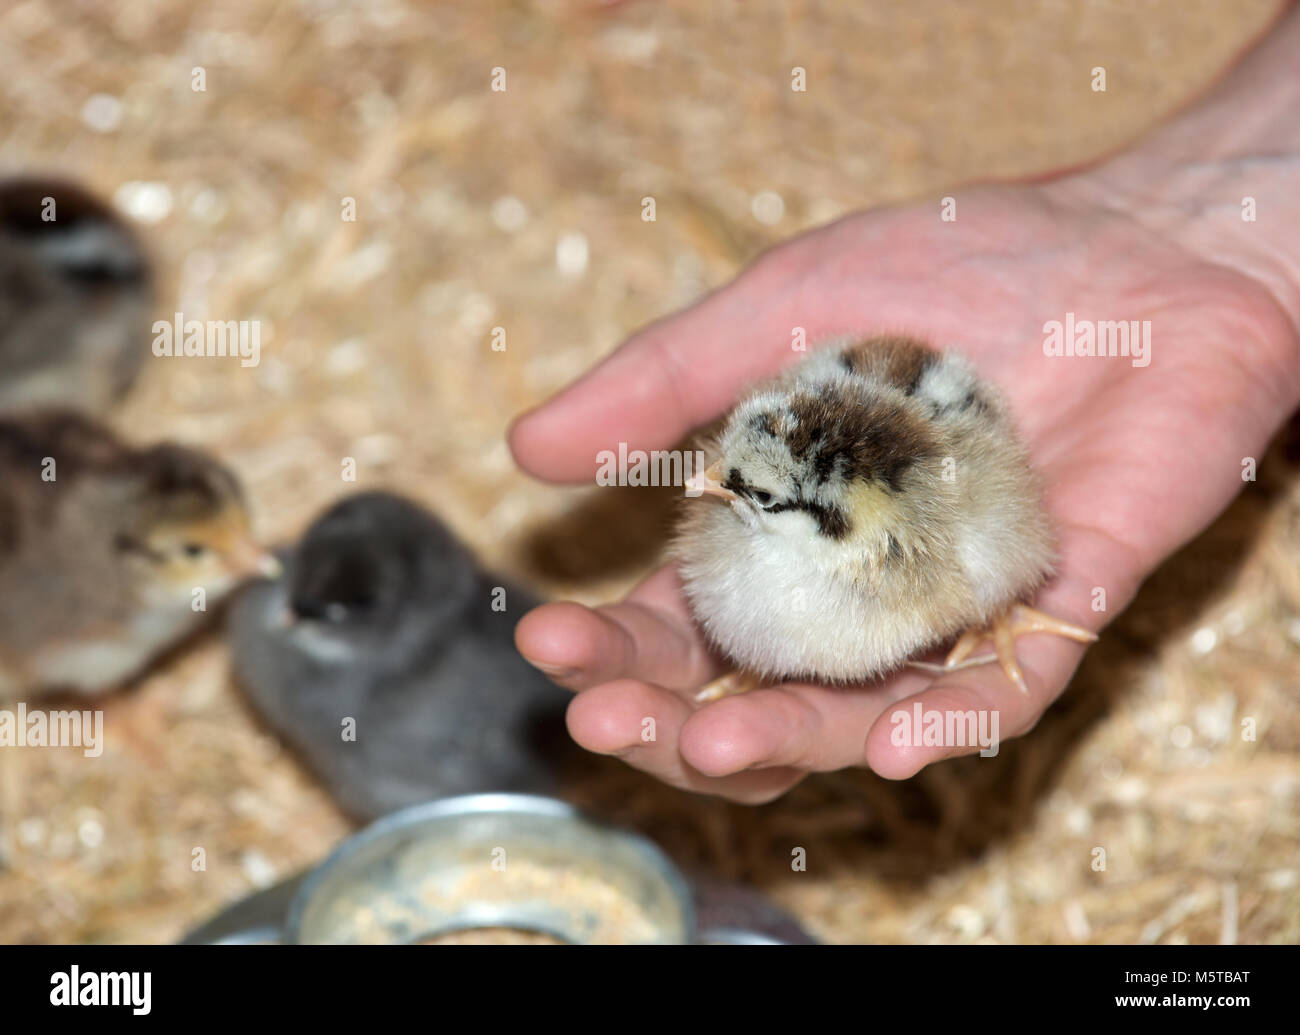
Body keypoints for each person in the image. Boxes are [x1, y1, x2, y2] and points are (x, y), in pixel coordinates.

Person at [508, 8, 1300, 803]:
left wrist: (999, 613)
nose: (713, 486)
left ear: (837, 522)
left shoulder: (941, 546)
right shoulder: (750, 532)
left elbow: (991, 528)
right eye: (734, 477)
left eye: (750, 490)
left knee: (985, 555)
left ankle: (994, 614)